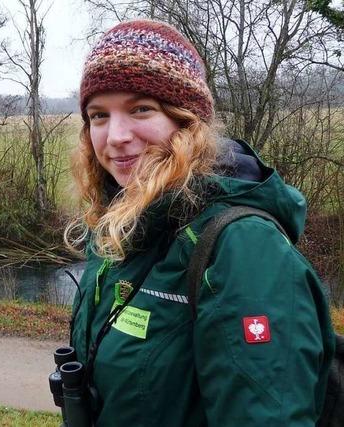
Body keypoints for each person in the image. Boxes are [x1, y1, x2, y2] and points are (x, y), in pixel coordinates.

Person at [64, 19, 336, 426]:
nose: (115, 135)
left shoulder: (242, 248)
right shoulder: (115, 231)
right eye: (98, 115)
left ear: (187, 120)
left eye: (140, 108)